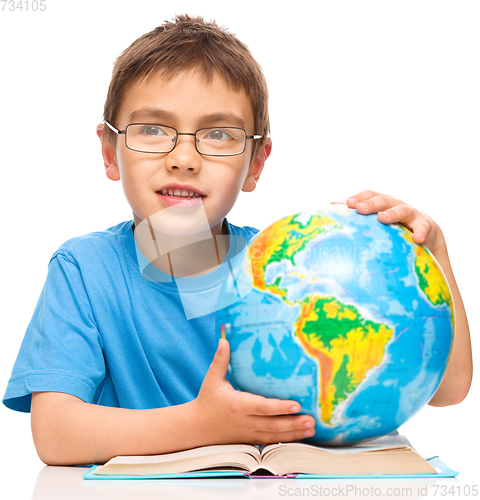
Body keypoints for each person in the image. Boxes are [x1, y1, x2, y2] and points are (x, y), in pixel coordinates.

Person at [2, 15, 472, 466]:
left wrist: (433, 257)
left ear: (255, 164)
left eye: (219, 134)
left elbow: (449, 389)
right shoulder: (84, 268)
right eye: (152, 129)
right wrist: (202, 424)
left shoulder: (288, 267)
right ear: (110, 151)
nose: (183, 158)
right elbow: (55, 433)